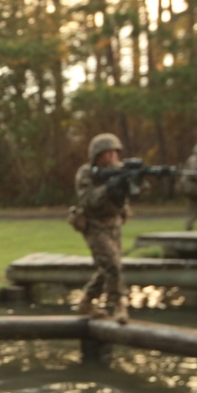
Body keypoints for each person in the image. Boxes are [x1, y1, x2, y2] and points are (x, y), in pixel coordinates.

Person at [73, 133, 131, 324]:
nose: (112, 157)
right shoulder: (86, 173)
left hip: (114, 224)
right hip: (94, 225)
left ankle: (86, 302)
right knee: (112, 265)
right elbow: (88, 200)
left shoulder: (121, 170)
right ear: (96, 155)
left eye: (115, 152)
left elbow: (131, 194)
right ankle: (119, 305)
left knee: (109, 266)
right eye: (108, 153)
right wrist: (109, 187)